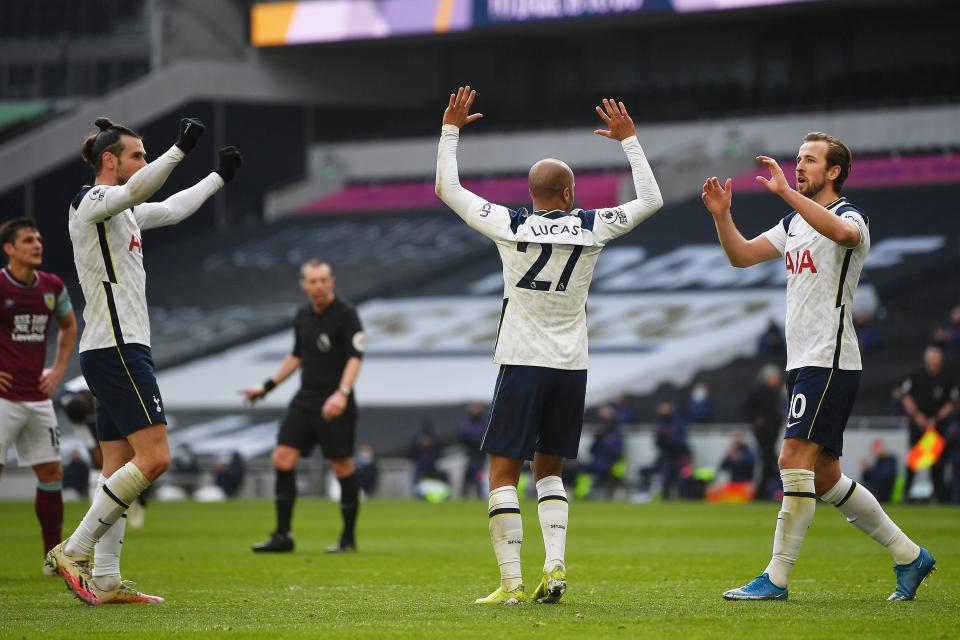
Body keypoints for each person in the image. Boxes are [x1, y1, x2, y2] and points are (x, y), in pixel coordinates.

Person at [435, 86, 663, 604]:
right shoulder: (591, 227)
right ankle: (555, 569)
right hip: (571, 365)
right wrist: (629, 141)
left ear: (535, 192)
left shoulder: (509, 224)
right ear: (567, 194)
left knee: (502, 471)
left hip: (521, 361)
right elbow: (652, 200)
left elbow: (447, 188)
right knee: (551, 471)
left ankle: (512, 584)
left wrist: (450, 130)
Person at [703, 132, 934, 602]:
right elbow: (741, 256)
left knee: (791, 460)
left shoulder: (851, 216)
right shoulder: (794, 223)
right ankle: (911, 556)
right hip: (804, 360)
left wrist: (787, 191)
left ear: (834, 172)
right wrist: (723, 216)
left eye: (810, 160)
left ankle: (777, 578)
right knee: (825, 477)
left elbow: (845, 236)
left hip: (828, 359)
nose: (799, 166)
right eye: (798, 159)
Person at [47, 116, 242, 606]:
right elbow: (139, 190)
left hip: (116, 349)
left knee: (115, 467)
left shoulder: (124, 213)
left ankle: (108, 580)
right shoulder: (88, 202)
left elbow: (173, 208)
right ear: (109, 161)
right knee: (155, 459)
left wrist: (217, 178)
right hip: (116, 349)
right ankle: (75, 549)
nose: (145, 162)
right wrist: (179, 150)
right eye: (137, 155)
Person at [242, 260, 364, 554]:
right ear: (304, 284)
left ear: (331, 281)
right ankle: (283, 536)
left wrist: (341, 393)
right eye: (313, 281)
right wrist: (266, 386)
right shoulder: (303, 314)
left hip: (335, 401)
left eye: (323, 280)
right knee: (282, 458)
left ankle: (348, 538)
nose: (319, 286)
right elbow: (296, 356)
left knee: (342, 465)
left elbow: (355, 357)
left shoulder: (346, 315)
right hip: (305, 400)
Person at [0, 217, 77, 575]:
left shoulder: (52, 286)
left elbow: (68, 325)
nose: (37, 244)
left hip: (37, 396)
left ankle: (52, 558)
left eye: (39, 238)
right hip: (3, 399)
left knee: (51, 473)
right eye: (28, 239)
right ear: (9, 249)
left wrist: (58, 369)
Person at [900, 345, 959, 502]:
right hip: (918, 425)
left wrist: (936, 419)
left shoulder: (947, 379)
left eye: (936, 356)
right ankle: (906, 494)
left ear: (941, 359)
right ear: (926, 359)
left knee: (937, 461)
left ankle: (936, 496)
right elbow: (906, 396)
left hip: (937, 427)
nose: (933, 360)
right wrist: (918, 416)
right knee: (913, 459)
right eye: (930, 357)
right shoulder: (916, 376)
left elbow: (952, 403)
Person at [741, 364, 785, 498]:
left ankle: (765, 490)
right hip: (763, 434)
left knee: (770, 461)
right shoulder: (758, 391)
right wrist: (756, 420)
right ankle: (762, 491)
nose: (777, 380)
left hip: (773, 433)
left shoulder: (775, 392)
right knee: (768, 460)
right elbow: (745, 408)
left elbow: (775, 411)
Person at [458, 403, 487, 499]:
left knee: (479, 477)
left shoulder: (484, 423)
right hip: (469, 455)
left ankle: (480, 496)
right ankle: (464, 496)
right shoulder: (466, 424)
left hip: (481, 455)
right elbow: (462, 437)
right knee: (467, 477)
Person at [861, 438, 898, 503]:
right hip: (873, 491)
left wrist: (870, 469)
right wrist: (866, 469)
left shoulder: (890, 460)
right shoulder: (877, 462)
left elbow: (883, 476)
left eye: (878, 448)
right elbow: (865, 479)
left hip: (884, 492)